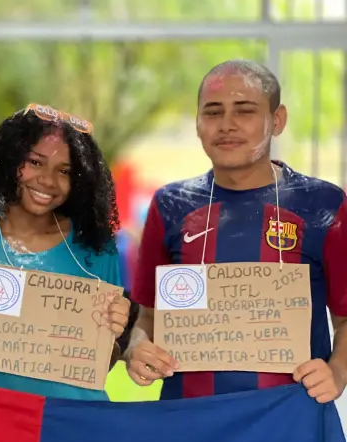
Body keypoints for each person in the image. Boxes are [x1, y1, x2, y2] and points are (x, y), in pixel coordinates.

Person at [125, 60, 347, 402]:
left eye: (244, 111)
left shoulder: (324, 205)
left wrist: (337, 371)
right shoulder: (170, 205)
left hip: (288, 422)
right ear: (198, 123)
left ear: (277, 120)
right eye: (213, 112)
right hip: (188, 422)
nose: (226, 125)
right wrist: (138, 347)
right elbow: (149, 316)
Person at [0, 104, 130, 400]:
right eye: (35, 162)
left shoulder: (96, 249)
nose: (47, 179)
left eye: (65, 171)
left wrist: (112, 336)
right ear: (9, 161)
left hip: (75, 425)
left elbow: (100, 363)